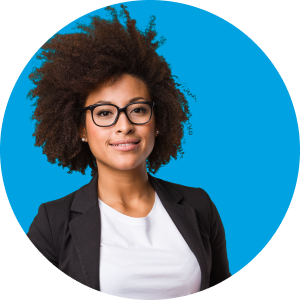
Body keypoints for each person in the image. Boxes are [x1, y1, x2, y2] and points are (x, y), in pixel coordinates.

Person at [26, 4, 231, 298]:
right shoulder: (53, 221)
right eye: (105, 113)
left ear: (157, 122)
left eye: (137, 109)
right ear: (81, 130)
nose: (124, 126)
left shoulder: (199, 206)